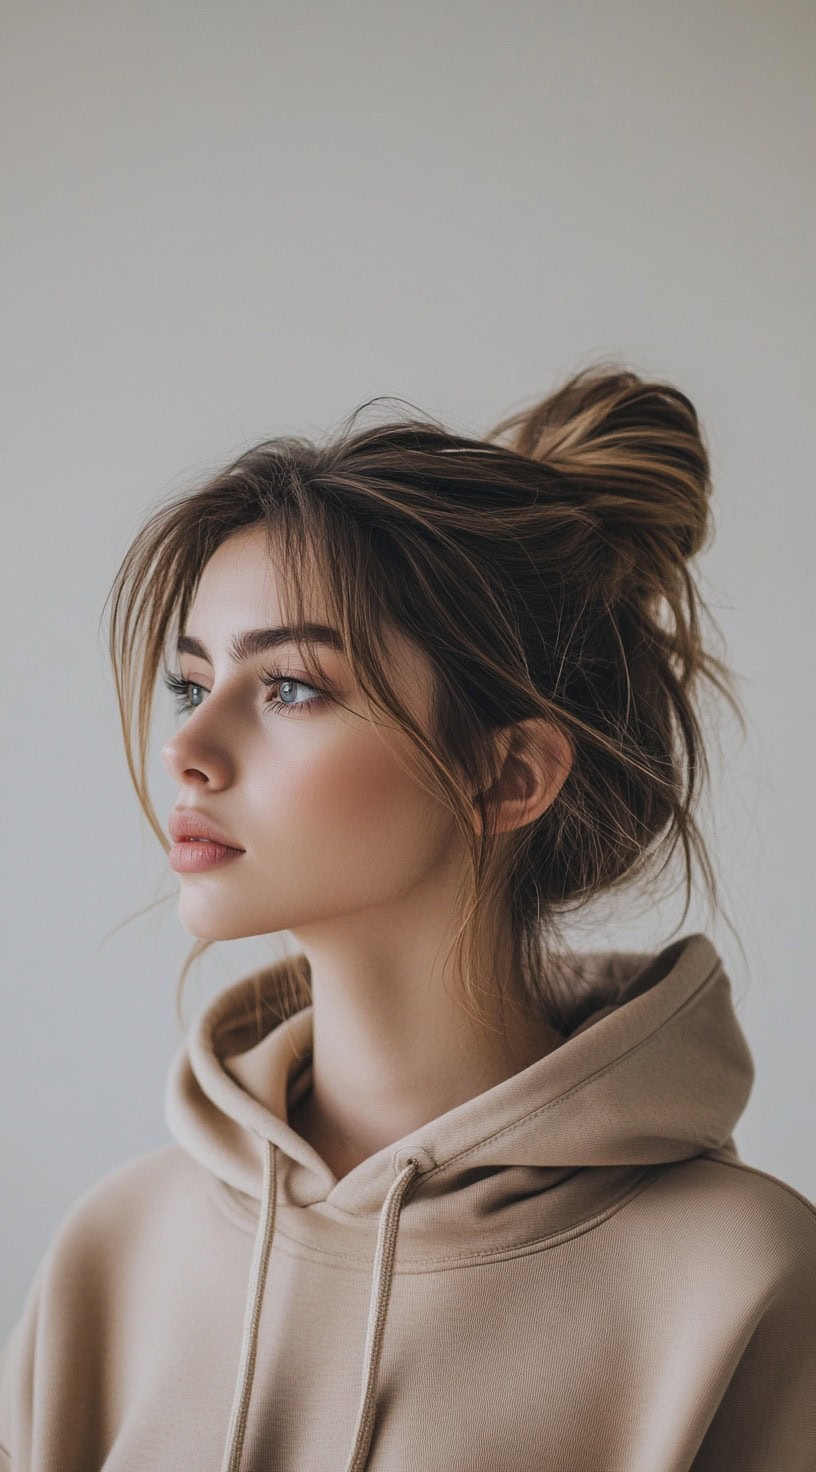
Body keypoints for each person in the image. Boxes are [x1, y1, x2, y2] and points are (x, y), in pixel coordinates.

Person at [1, 365, 813, 1471]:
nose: (185, 746)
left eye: (288, 685)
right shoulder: (119, 1247)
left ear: (507, 774)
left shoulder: (745, 1278)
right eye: (193, 683)